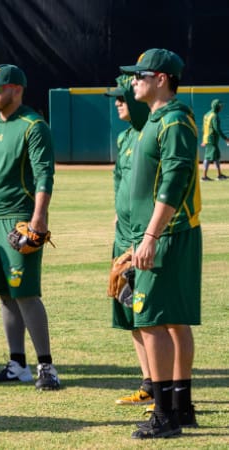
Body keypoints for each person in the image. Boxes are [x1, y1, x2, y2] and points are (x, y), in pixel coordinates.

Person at [0, 64, 60, 390]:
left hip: (18, 219)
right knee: (5, 296)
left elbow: (45, 174)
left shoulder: (34, 126)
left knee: (26, 294)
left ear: (16, 89)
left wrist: (38, 218)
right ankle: (17, 364)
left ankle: (46, 366)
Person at [120, 48, 201, 439]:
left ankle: (165, 414)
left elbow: (175, 179)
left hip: (165, 234)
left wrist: (150, 235)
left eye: (140, 75)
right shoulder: (156, 120)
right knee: (171, 320)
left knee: (150, 319)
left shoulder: (173, 120)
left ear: (162, 79)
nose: (133, 80)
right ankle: (181, 406)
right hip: (159, 233)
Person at [104, 75, 154, 407]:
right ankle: (149, 382)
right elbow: (120, 181)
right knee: (129, 310)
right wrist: (118, 213)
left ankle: (163, 387)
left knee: (149, 314)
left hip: (143, 236)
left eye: (123, 97)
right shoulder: (124, 139)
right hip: (123, 235)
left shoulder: (152, 137)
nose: (119, 102)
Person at [200, 98, 229, 181]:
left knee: (216, 157)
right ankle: (204, 176)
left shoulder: (207, 114)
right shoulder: (214, 116)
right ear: (217, 107)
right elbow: (217, 129)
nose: (221, 108)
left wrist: (203, 139)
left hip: (208, 138)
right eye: (220, 106)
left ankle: (219, 175)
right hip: (212, 139)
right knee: (208, 157)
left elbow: (203, 128)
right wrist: (226, 138)